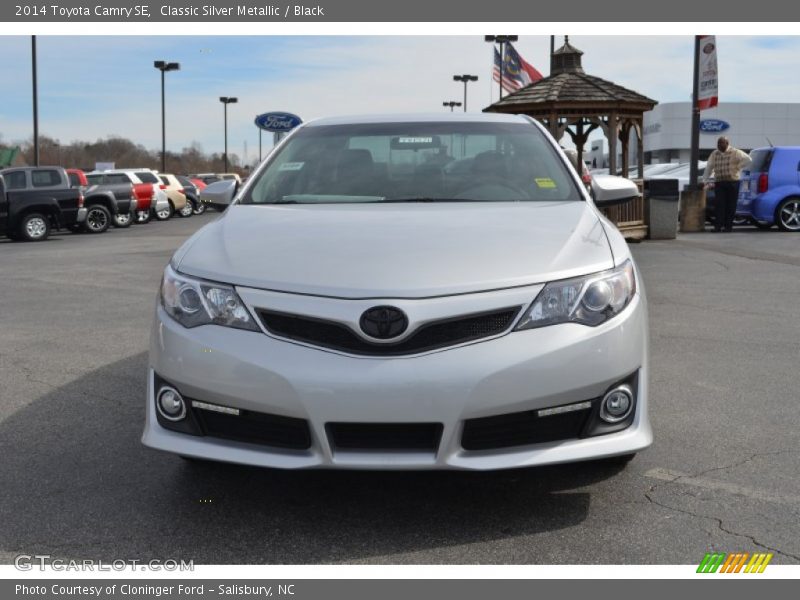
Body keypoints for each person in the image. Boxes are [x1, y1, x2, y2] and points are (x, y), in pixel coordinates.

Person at [703, 136, 752, 232]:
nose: (719, 145)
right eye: (718, 143)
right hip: (719, 182)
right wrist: (705, 179)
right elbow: (709, 167)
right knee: (719, 205)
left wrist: (738, 166)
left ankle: (728, 227)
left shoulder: (736, 152)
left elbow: (748, 159)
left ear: (727, 143)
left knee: (731, 205)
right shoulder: (714, 153)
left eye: (721, 143)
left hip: (733, 182)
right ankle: (718, 227)